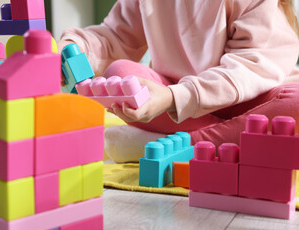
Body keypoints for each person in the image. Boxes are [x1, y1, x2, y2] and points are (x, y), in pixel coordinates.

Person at [58, 0, 299, 163]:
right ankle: (223, 142)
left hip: (252, 98)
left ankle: (166, 147)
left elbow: (249, 67)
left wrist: (176, 97)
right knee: (119, 73)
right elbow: (115, 37)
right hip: (178, 108)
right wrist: (76, 47)